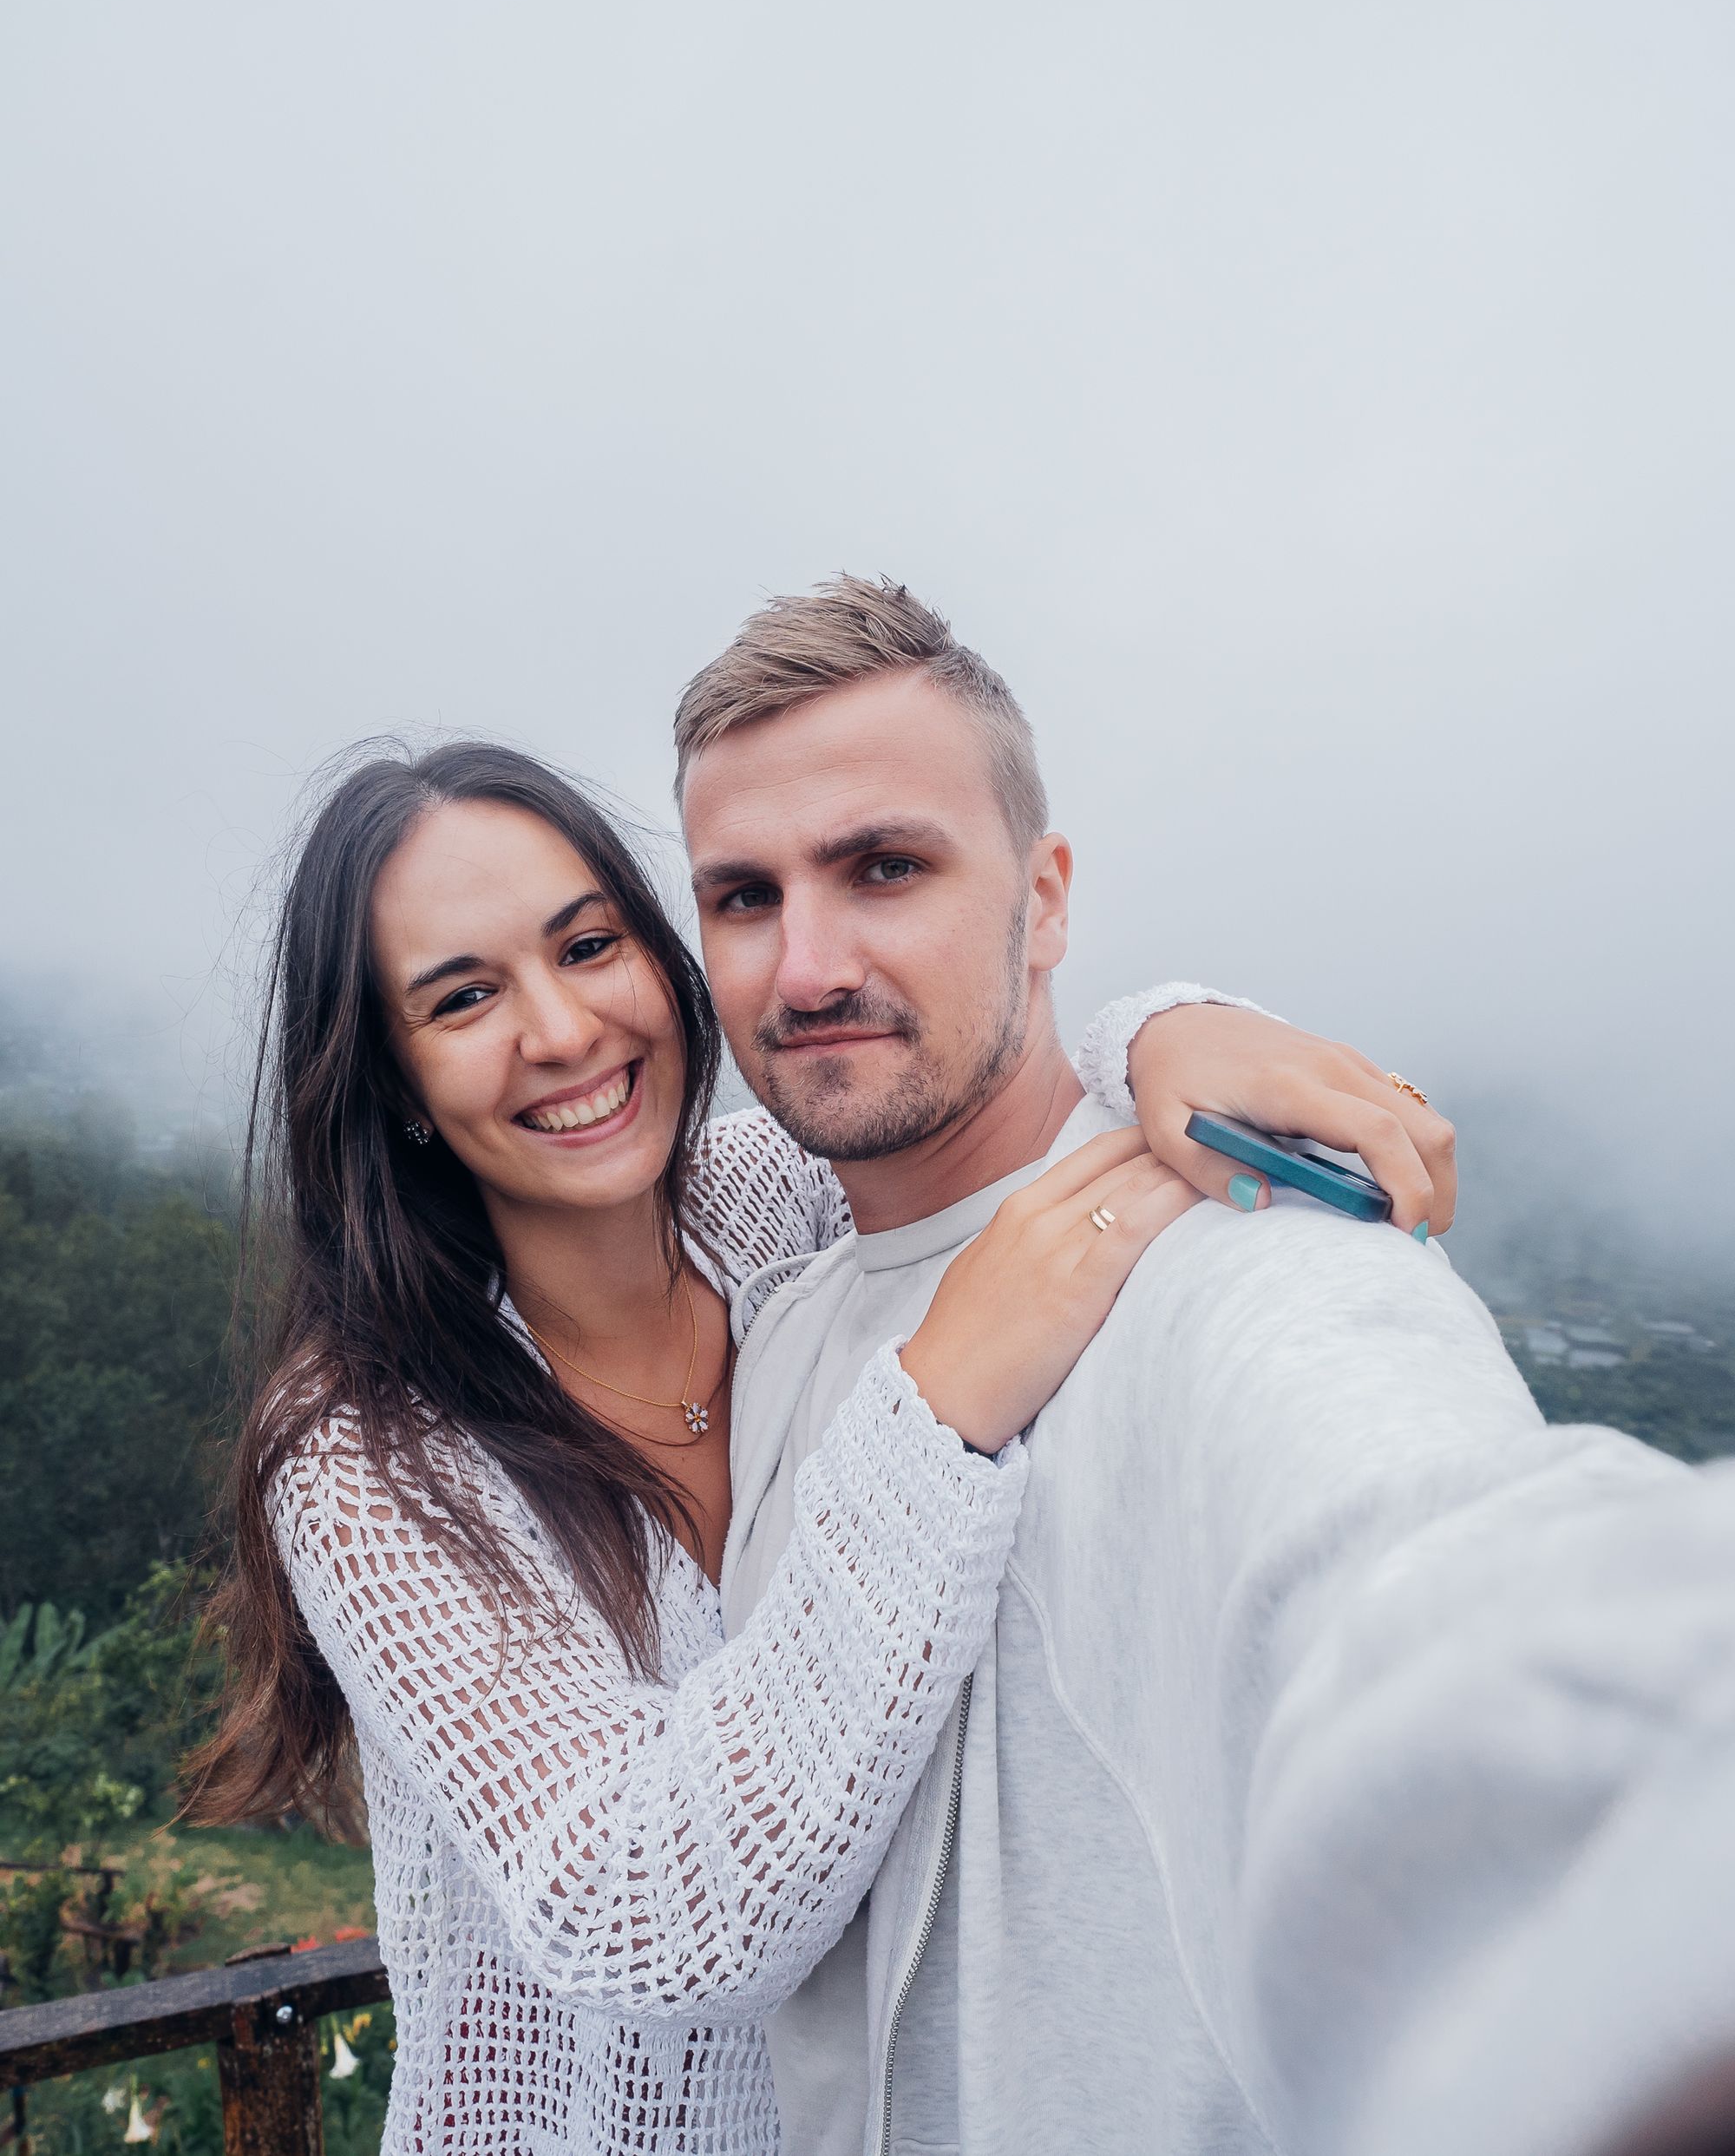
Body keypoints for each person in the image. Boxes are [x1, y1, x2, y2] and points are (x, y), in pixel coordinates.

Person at [184, 740, 1430, 2156]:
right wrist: (941, 1399)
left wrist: (1163, 1033)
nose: (562, 1029)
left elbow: (959, 1092)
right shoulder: (366, 1452)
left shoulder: (773, 1201)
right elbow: (644, 1912)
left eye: (588, 946)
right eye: (463, 996)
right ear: (396, 1077)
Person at [677, 576, 1708, 2156]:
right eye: (744, 897)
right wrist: (1165, 1023)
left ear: (1048, 899)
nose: (804, 967)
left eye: (885, 867)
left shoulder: (1231, 1253)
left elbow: (1413, 1553)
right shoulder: (777, 1299)